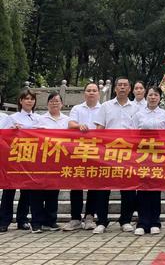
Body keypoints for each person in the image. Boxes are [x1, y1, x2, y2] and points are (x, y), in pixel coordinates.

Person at [94, 77, 138, 234]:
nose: (122, 88)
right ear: (114, 89)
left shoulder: (136, 108)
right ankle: (101, 221)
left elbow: (139, 131)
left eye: (125, 85)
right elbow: (99, 128)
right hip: (108, 152)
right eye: (119, 85)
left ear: (130, 89)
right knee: (103, 188)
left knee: (128, 188)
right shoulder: (105, 106)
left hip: (128, 152)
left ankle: (125, 220)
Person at [132, 86, 165, 235]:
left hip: (158, 156)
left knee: (155, 190)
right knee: (142, 189)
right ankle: (142, 223)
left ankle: (155, 221)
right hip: (142, 156)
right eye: (150, 95)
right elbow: (132, 134)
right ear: (146, 97)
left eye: (156, 95)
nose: (153, 97)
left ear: (159, 98)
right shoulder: (138, 114)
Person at [64, 82, 102, 231]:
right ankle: (75, 218)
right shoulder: (77, 108)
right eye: (88, 90)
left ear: (98, 93)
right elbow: (70, 123)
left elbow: (103, 125)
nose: (91, 93)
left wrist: (96, 131)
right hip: (78, 151)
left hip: (96, 151)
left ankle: (90, 216)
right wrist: (78, 126)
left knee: (94, 184)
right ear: (84, 93)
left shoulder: (103, 108)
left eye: (94, 90)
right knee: (76, 183)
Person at [0, 89, 39, 232]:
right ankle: (4, 220)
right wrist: (12, 129)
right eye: (26, 98)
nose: (29, 101)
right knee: (9, 189)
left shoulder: (38, 118)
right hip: (14, 157)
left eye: (31, 99)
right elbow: (3, 136)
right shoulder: (12, 117)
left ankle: (22, 219)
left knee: (26, 190)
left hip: (30, 157)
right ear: (20, 101)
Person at [30, 93, 69, 233]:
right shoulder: (40, 119)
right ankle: (36, 222)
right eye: (51, 101)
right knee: (37, 192)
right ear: (47, 104)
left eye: (57, 101)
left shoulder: (67, 120)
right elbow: (30, 136)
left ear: (62, 104)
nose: (54, 103)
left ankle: (51, 220)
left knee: (53, 192)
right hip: (41, 161)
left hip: (57, 161)